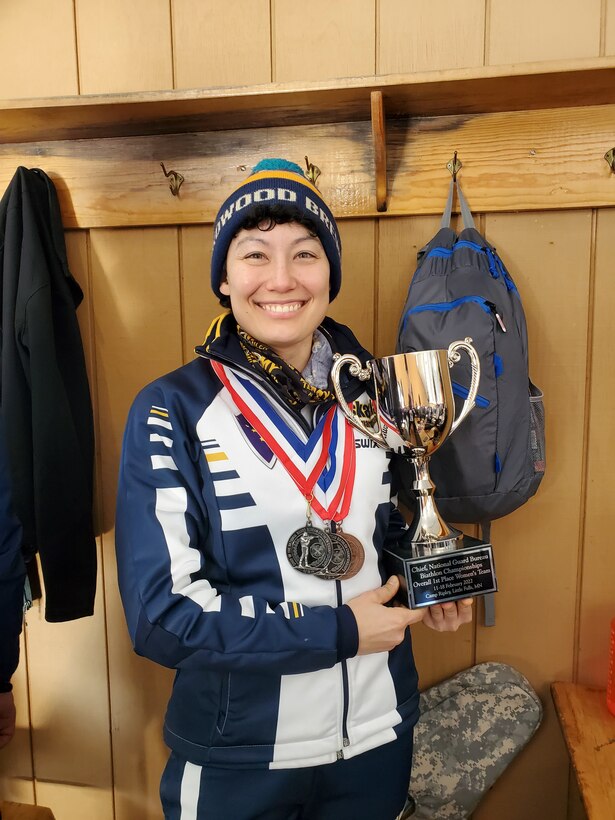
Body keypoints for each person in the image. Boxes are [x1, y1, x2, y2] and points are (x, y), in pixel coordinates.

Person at [115, 158, 473, 820]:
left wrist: (431, 577)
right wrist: (335, 631)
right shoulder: (172, 409)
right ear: (224, 278)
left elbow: (387, 529)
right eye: (255, 255)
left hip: (374, 740)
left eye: (305, 254)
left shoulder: (376, 392)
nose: (281, 279)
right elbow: (162, 616)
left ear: (330, 274)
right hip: (237, 758)